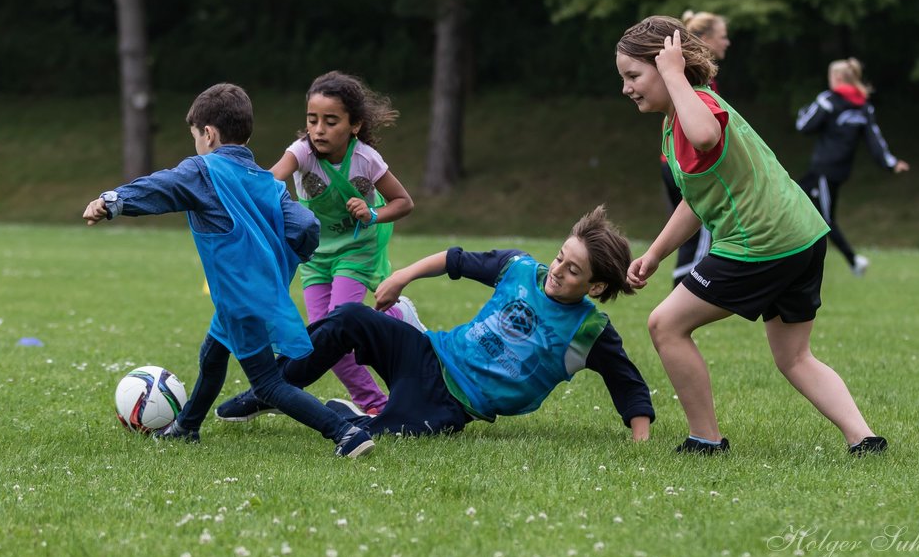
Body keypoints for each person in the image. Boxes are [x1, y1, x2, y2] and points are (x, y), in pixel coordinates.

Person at [616, 16, 885, 456]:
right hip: (802, 235)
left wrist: (673, 74)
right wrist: (657, 254)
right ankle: (864, 438)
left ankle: (705, 439)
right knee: (794, 357)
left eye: (634, 75)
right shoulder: (676, 121)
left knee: (665, 325)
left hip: (760, 244)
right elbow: (695, 200)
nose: (627, 88)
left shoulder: (696, 107)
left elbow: (704, 135)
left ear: (667, 66)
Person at [82, 82, 375, 458]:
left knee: (268, 384)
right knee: (213, 355)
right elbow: (306, 227)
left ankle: (345, 433)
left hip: (240, 298)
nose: (196, 146)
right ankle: (186, 427)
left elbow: (161, 186)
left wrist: (113, 201)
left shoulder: (204, 171)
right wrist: (279, 264)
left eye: (195, 137)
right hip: (252, 292)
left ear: (208, 134)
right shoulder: (267, 182)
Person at [214, 206, 655, 443]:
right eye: (561, 256)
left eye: (574, 270)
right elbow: (454, 259)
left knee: (373, 439)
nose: (558, 269)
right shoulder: (519, 269)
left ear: (595, 287)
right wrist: (401, 276)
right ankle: (268, 390)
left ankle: (353, 414)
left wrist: (640, 441)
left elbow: (628, 383)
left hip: (450, 404)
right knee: (348, 317)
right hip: (427, 352)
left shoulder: (587, 332)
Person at [270, 71, 420, 416]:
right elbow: (270, 180)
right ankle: (397, 317)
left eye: (330, 121)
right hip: (315, 255)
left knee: (337, 330)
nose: (319, 129)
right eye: (312, 120)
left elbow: (403, 202)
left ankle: (374, 406)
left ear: (354, 125)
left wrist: (371, 212)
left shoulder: (365, 158)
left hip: (356, 249)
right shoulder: (301, 153)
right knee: (321, 340)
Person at [795, 57, 910, 277]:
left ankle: (853, 260)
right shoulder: (863, 106)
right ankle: (794, 259)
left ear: (836, 78)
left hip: (824, 170)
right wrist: (891, 162)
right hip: (837, 172)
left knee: (824, 219)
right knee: (794, 204)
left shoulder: (828, 100)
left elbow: (803, 125)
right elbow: (875, 140)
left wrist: (804, 111)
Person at [660, 10, 730, 287]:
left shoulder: (686, 75)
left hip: (672, 163)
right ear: (704, 38)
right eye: (723, 37)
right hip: (689, 167)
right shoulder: (696, 78)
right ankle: (684, 303)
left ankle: (677, 307)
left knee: (689, 241)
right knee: (700, 237)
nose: (727, 43)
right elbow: (702, 135)